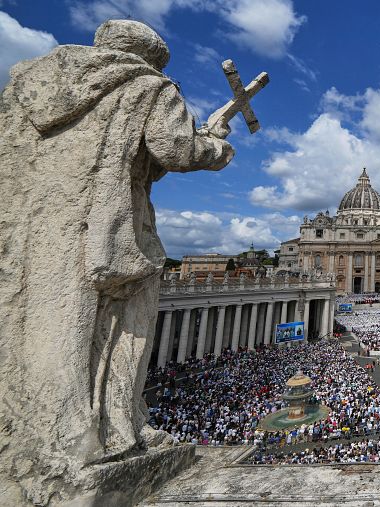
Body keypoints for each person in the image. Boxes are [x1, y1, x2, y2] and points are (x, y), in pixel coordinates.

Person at [0, 18, 234, 494]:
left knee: (49, 329)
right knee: (121, 325)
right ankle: (108, 431)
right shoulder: (148, 84)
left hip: (38, 230)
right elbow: (176, 149)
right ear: (153, 58)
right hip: (110, 226)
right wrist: (216, 141)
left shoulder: (33, 85)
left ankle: (41, 437)